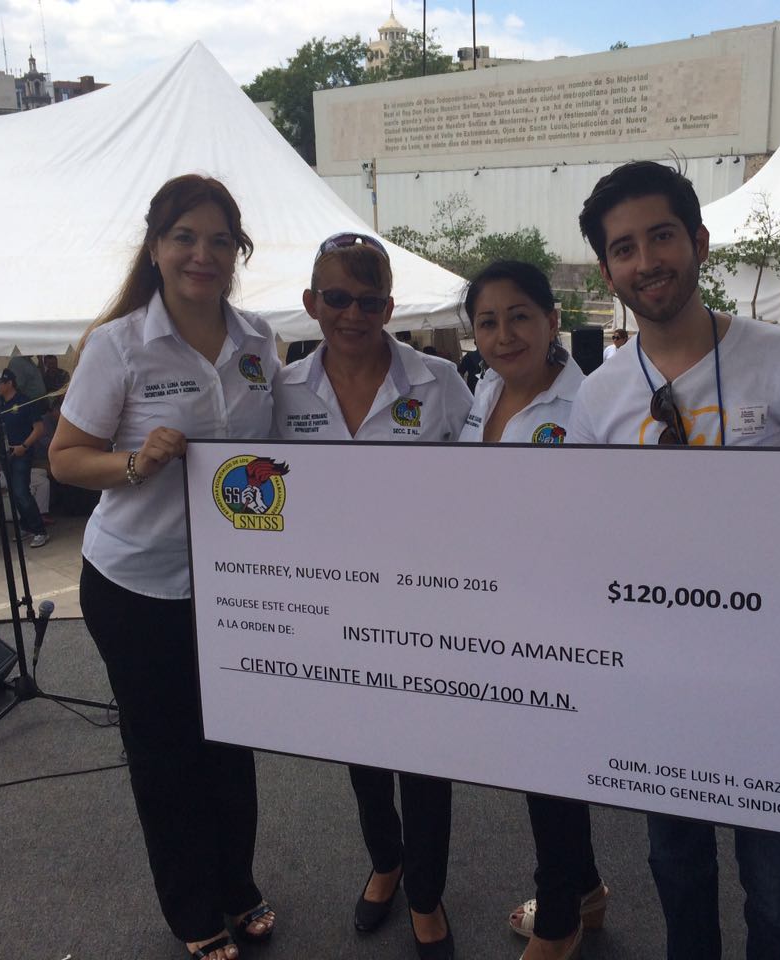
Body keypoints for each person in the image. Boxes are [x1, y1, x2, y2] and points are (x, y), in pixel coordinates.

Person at [570, 161, 780, 960]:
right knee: (676, 865)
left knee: (779, 890)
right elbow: (583, 534)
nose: (648, 261)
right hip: (658, 672)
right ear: (607, 271)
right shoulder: (598, 397)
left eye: (662, 236)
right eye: (624, 248)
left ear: (700, 242)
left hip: (774, 673)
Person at [48, 174, 280, 960]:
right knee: (166, 754)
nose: (201, 254)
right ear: (156, 248)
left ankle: (237, 884)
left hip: (234, 585)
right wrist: (135, 463)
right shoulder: (118, 345)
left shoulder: (259, 342)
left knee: (232, 743)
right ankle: (192, 911)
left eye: (219, 240)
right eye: (185, 237)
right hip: (137, 586)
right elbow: (65, 458)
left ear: (237, 251)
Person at [273, 232, 472, 960]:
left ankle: (425, 892)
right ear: (311, 302)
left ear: (390, 307)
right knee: (361, 749)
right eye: (337, 298)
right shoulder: (282, 391)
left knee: (424, 755)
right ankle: (385, 861)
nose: (352, 314)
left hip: (424, 603)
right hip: (334, 605)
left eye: (369, 301)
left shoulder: (440, 382)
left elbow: (482, 486)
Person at [458, 260, 608, 960]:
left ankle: (558, 923)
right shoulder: (484, 389)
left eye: (519, 316)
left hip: (562, 612)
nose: (503, 335)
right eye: (487, 322)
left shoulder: (589, 403)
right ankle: (586, 892)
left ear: (553, 320)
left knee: (550, 764)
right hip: (499, 605)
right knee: (534, 760)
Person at [0, 368, 48, 548]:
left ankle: (40, 530)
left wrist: (24, 446)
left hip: (21, 452)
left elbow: (39, 429)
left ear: (9, 383)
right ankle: (26, 525)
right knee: (14, 493)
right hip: (5, 452)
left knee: (21, 491)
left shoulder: (24, 402)